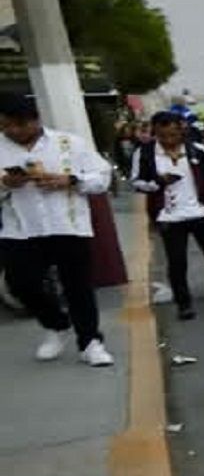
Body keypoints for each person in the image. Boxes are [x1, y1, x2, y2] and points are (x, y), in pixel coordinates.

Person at [0, 93, 114, 366]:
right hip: (20, 228)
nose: (11, 131)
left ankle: (90, 342)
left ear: (35, 121)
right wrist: (6, 184)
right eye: (5, 125)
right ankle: (57, 324)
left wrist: (70, 180)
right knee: (20, 283)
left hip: (67, 223)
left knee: (78, 287)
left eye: (18, 125)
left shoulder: (69, 143)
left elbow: (102, 177)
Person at [132, 108, 204, 321]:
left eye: (173, 134)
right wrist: (157, 182)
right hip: (170, 216)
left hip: (202, 212)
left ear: (182, 131)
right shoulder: (145, 153)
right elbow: (137, 182)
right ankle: (184, 303)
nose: (169, 139)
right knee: (177, 262)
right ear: (155, 133)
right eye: (163, 135)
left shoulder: (197, 150)